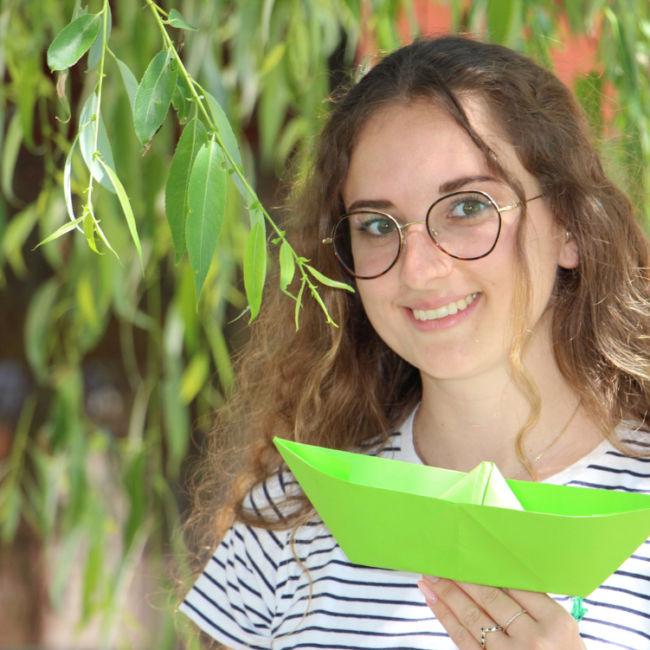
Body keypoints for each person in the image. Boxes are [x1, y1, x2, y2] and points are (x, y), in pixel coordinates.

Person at [179, 35, 650, 650]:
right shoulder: (288, 520)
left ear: (569, 226)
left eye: (466, 207)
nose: (419, 270)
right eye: (377, 225)